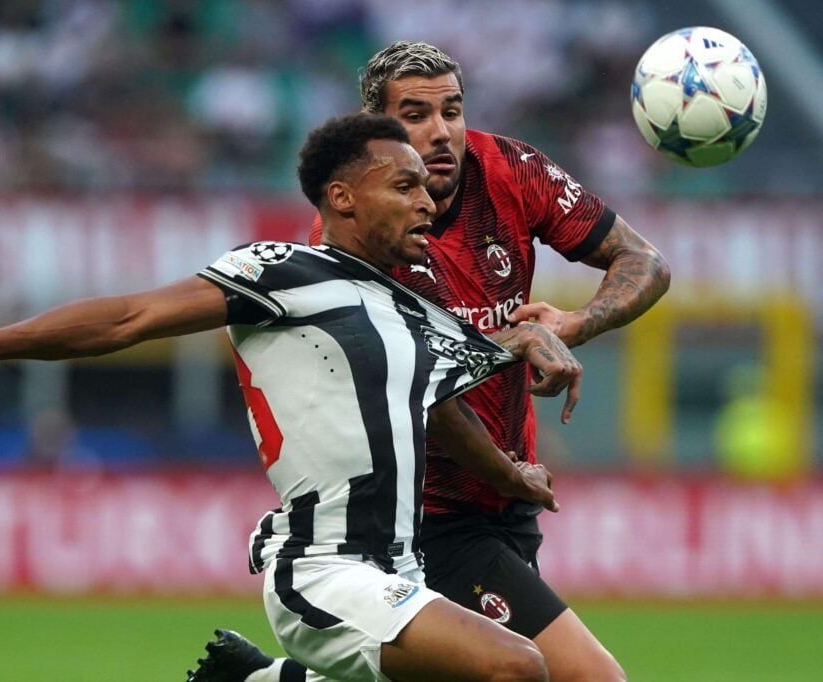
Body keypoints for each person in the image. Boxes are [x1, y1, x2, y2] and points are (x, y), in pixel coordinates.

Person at [0, 113, 584, 682]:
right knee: (513, 668)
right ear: (342, 198)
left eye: (426, 189)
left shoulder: (406, 307)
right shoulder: (281, 271)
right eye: (404, 187)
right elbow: (127, 318)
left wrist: (511, 457)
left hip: (403, 570)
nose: (427, 201)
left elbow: (442, 407)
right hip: (324, 569)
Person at [191, 42, 670, 682]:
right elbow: (426, 393)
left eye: (453, 110)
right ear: (380, 132)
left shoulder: (512, 170)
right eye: (416, 115)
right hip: (428, 513)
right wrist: (505, 471)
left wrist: (575, 323)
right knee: (587, 679)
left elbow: (645, 262)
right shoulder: (357, 238)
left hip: (502, 504)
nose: (441, 131)